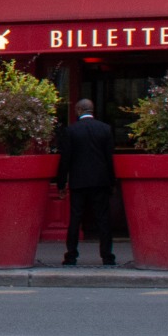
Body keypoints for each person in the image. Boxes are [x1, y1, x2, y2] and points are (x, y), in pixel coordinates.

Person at [57, 97, 116, 266]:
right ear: (92, 110)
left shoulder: (71, 130)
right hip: (100, 181)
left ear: (78, 110)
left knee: (75, 218)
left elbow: (65, 160)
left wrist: (61, 183)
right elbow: (109, 158)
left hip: (78, 181)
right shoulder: (105, 129)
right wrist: (112, 182)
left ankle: (71, 256)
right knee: (103, 219)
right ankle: (107, 256)